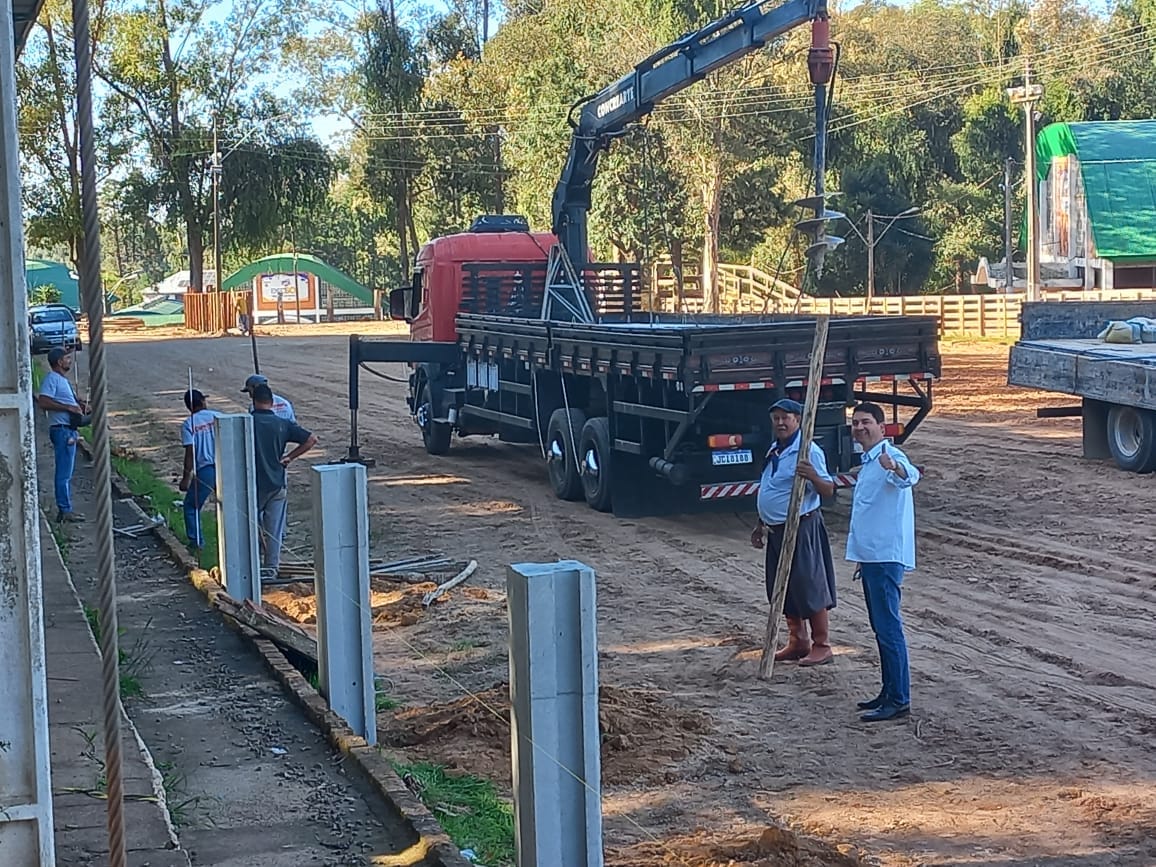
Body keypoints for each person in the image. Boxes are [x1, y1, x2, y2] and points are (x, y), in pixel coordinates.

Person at [846, 402, 921, 723]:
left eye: (865, 422)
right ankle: (889, 691)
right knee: (881, 628)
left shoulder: (889, 457)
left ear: (882, 426)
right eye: (855, 423)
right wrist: (863, 557)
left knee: (889, 629)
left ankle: (899, 698)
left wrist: (896, 468)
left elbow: (909, 476)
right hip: (873, 556)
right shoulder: (869, 461)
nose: (859, 428)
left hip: (886, 557)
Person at [751, 398, 838, 666]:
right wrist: (761, 522)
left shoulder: (808, 451)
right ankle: (798, 641)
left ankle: (822, 645)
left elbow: (828, 490)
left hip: (801, 526)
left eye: (785, 417)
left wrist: (812, 476)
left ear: (798, 421)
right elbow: (771, 488)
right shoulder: (776, 449)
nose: (780, 422)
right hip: (776, 529)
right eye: (776, 418)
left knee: (809, 585)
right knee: (782, 586)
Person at [251, 383, 316, 577]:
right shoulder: (282, 423)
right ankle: (271, 569)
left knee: (249, 526)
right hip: (277, 483)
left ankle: (251, 566)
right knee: (274, 530)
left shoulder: (247, 422)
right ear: (272, 402)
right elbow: (312, 439)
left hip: (252, 485)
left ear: (253, 401)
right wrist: (289, 457)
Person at [37, 347, 87, 523]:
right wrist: (68, 407)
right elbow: (43, 401)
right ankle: (65, 510)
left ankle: (65, 508)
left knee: (66, 472)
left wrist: (79, 405)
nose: (69, 361)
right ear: (59, 362)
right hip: (62, 430)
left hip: (68, 429)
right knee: (64, 474)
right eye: (67, 358)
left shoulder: (62, 380)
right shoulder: (52, 379)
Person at [179, 389, 218, 548]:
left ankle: (197, 543)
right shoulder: (217, 416)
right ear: (203, 401)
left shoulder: (189, 424)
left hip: (206, 469)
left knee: (191, 506)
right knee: (231, 505)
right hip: (226, 465)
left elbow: (190, 453)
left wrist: (186, 478)